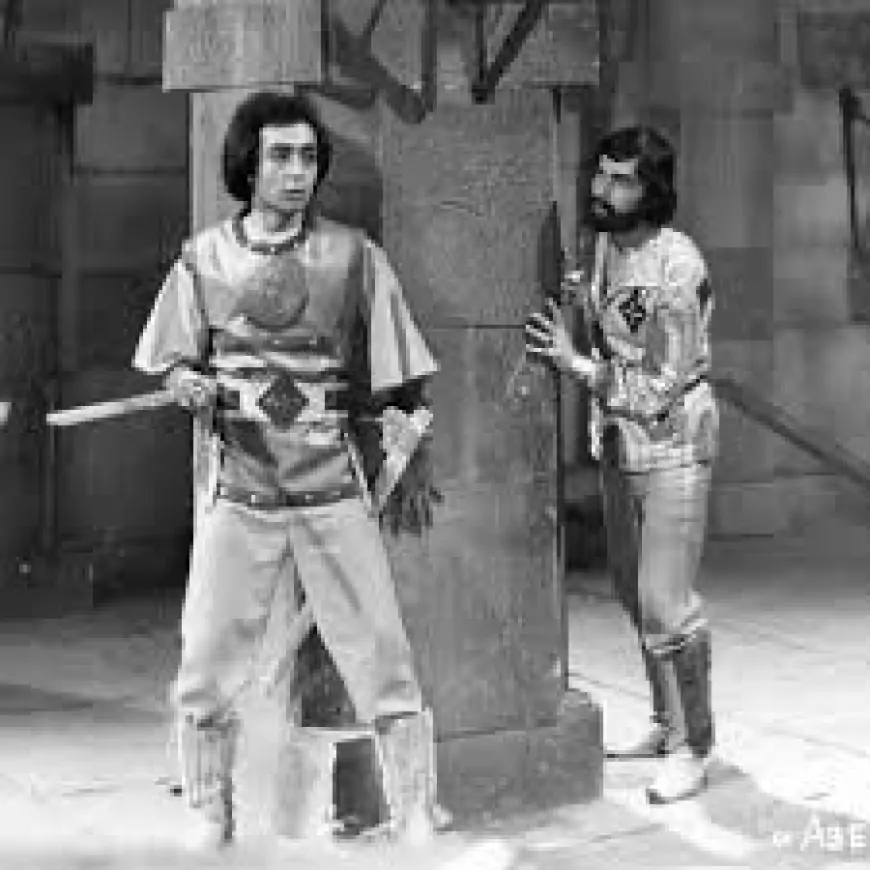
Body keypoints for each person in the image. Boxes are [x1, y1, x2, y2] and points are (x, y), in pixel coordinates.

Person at [133, 91, 441, 847]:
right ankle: (209, 809)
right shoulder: (203, 257)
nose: (296, 171)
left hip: (330, 481)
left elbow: (402, 370)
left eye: (307, 156)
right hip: (240, 484)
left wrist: (408, 439)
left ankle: (416, 808)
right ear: (249, 164)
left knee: (383, 648)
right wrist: (184, 380)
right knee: (207, 656)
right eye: (280, 156)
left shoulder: (353, 255)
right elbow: (171, 355)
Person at [525, 125, 717, 804]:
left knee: (668, 602)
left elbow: (661, 384)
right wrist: (578, 299)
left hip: (674, 443)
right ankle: (666, 723)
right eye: (601, 174)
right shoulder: (604, 244)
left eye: (622, 180)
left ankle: (695, 746)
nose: (602, 189)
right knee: (634, 593)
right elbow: (607, 321)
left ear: (653, 189)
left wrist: (576, 366)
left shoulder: (679, 267)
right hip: (618, 441)